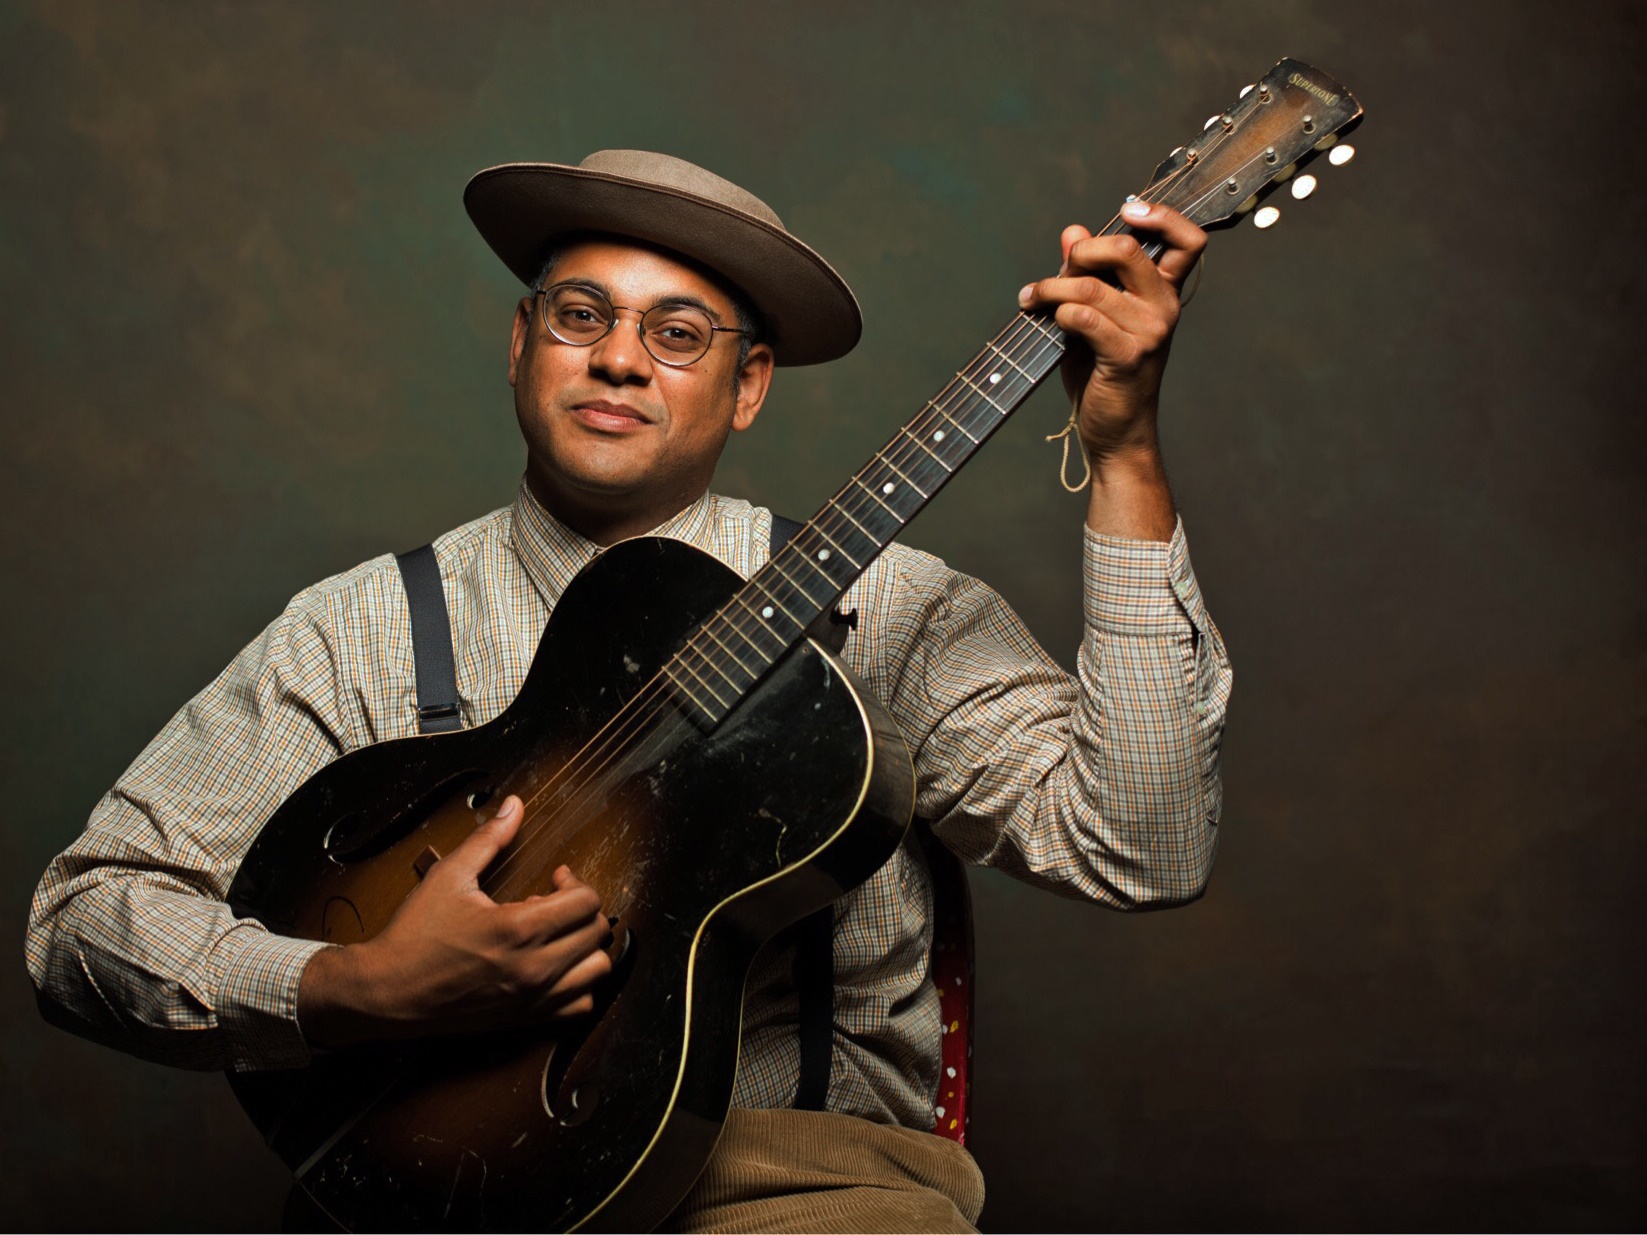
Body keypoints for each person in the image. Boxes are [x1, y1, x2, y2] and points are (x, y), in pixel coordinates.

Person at [26, 150, 1229, 1232]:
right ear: (519, 341)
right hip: (414, 1201)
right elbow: (83, 919)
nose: (615, 356)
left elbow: (1143, 843)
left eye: (678, 332)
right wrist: (353, 985)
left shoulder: (891, 607)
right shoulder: (365, 626)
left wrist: (1122, 453)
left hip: (799, 1189)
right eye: (581, 313)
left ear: (748, 385)